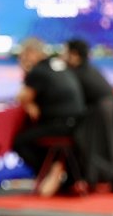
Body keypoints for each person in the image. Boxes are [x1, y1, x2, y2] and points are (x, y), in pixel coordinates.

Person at [13, 38, 86, 196]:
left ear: (32, 53)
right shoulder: (58, 65)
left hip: (59, 125)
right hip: (78, 123)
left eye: (23, 55)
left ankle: (47, 171)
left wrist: (26, 74)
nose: (21, 59)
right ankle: (55, 170)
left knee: (19, 140)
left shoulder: (38, 71)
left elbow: (21, 98)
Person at [64, 38, 113, 189]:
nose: (64, 56)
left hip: (100, 114)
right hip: (110, 111)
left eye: (66, 52)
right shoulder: (91, 69)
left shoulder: (75, 73)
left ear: (74, 55)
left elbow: (75, 103)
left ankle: (87, 177)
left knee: (81, 138)